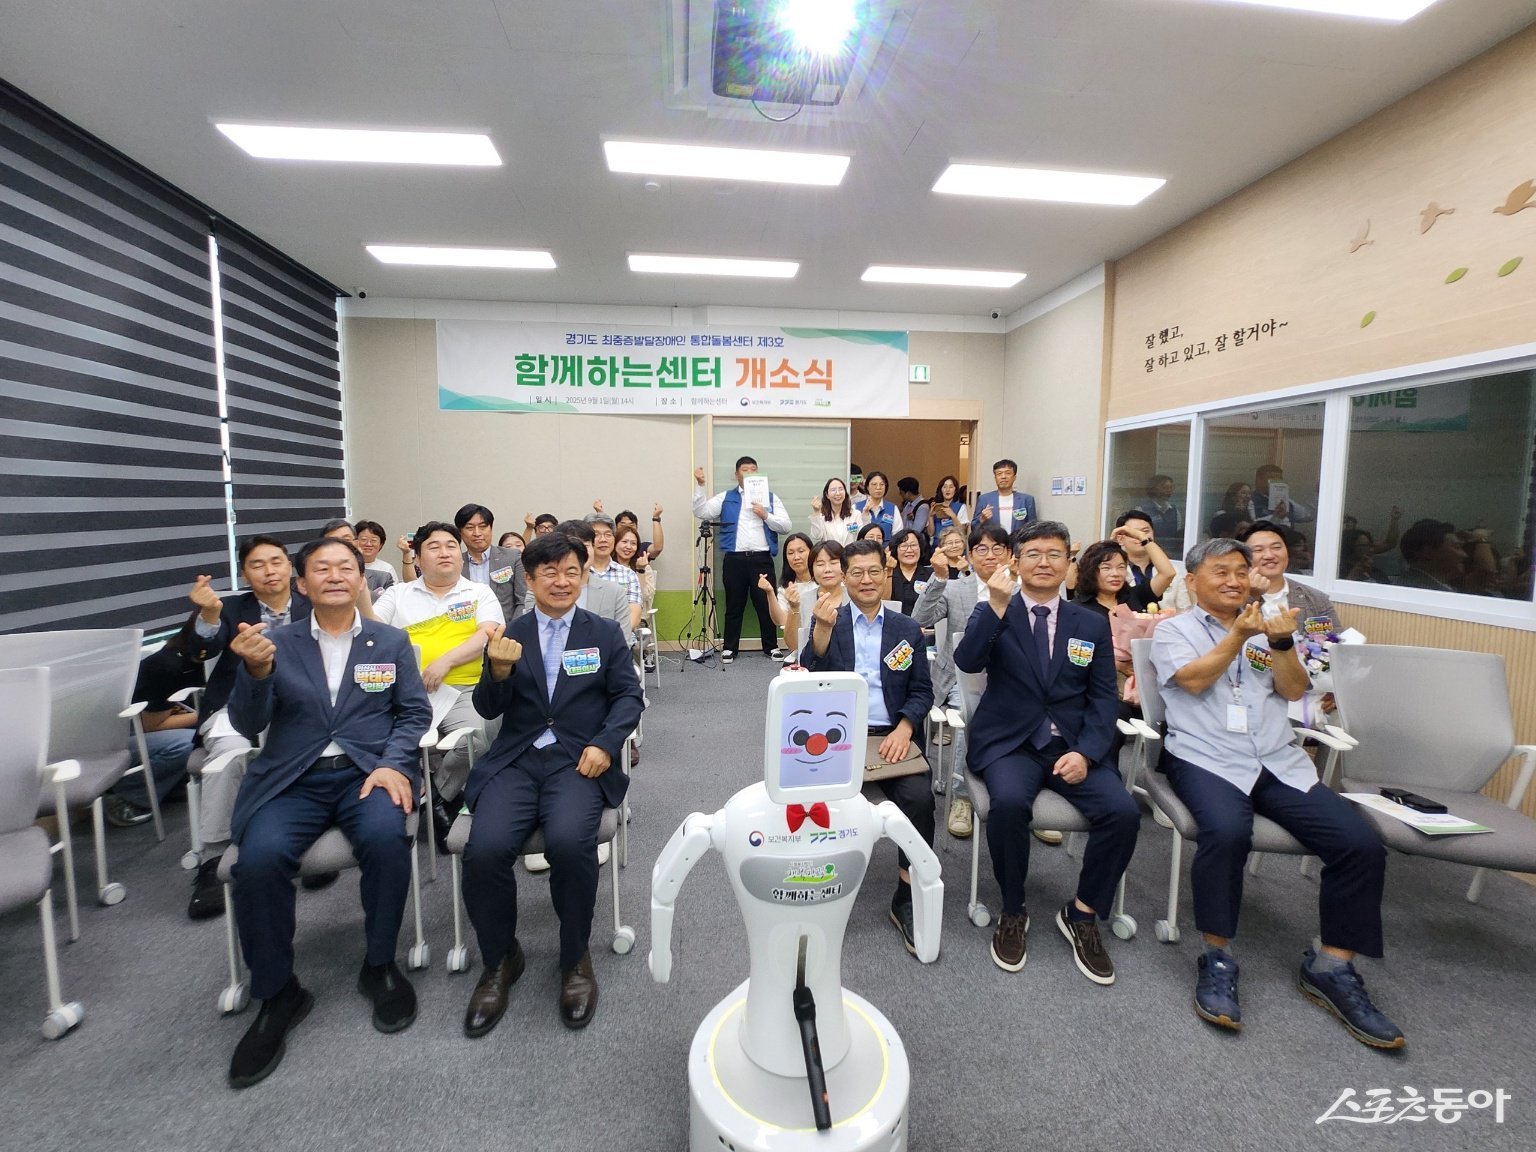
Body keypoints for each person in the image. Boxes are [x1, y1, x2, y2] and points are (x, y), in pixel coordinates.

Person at [1149, 538, 1402, 1048]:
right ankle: (1217, 957)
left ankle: (1332, 966)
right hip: (1205, 756)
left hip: (1277, 760)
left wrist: (1282, 644)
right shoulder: (1173, 630)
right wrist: (1237, 637)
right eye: (1220, 572)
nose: (1234, 580)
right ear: (1192, 581)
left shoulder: (1271, 630)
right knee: (1225, 832)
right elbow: (1194, 682)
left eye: (1241, 571)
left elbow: (1291, 691)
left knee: (1360, 844)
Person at [222, 535, 433, 1088]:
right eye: (322, 568)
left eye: (347, 567)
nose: (336, 575)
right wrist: (255, 674)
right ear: (301, 584)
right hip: (294, 780)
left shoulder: (389, 641)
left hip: (368, 774)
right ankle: (277, 992)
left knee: (389, 841)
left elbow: (412, 714)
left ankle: (379, 965)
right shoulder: (274, 643)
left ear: (362, 580)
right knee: (258, 861)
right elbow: (247, 723)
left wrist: (391, 763)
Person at [459, 533, 644, 1035]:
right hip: (517, 760)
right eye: (549, 573)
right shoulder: (510, 633)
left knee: (568, 843)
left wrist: (606, 743)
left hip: (579, 760)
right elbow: (487, 708)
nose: (561, 582)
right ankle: (500, 960)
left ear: (583, 576)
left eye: (570, 572)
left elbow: (629, 698)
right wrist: (496, 672)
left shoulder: (603, 633)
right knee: (485, 850)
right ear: (530, 578)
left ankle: (574, 957)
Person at [953, 521, 1139, 984]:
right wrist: (995, 604)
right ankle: (1013, 908)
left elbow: (1103, 699)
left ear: (1069, 564)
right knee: (1010, 805)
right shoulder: (996, 608)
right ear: (1015, 562)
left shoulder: (1090, 623)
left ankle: (1082, 913)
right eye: (1031, 553)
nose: (1043, 562)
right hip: (1011, 743)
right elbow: (967, 661)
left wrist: (1089, 753)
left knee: (1123, 812)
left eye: (1054, 554)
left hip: (1072, 745)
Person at [800, 540, 935, 958]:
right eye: (856, 572)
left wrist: (906, 727)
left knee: (919, 799)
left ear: (885, 572)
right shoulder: (831, 620)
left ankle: (905, 895)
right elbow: (809, 676)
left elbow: (922, 690)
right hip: (838, 738)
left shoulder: (906, 629)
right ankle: (821, 890)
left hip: (891, 734)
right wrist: (820, 631)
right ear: (843, 575)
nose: (866, 580)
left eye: (873, 571)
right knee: (820, 806)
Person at [182, 536, 314, 920]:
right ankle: (213, 860)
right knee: (230, 755)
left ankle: (306, 846)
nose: (270, 570)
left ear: (291, 567)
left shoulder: (314, 603)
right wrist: (207, 616)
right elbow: (199, 653)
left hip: (299, 703)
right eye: (258, 564)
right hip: (233, 704)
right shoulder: (228, 608)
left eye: (277, 561)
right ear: (244, 572)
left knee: (316, 746)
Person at [367, 521, 504, 847]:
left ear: (460, 554)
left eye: (450, 546)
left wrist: (445, 661)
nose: (445, 552)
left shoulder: (478, 592)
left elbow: (487, 633)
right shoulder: (398, 594)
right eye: (434, 546)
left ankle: (438, 793)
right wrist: (360, 593)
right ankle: (427, 797)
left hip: (464, 689)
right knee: (377, 741)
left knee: (481, 738)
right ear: (417, 558)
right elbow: (372, 630)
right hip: (405, 693)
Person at [913, 522, 1017, 840]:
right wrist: (939, 578)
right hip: (962, 677)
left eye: (998, 548)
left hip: (1012, 677)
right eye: (981, 549)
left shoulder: (1023, 591)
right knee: (969, 714)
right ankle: (961, 796)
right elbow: (919, 619)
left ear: (1010, 555)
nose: (989, 555)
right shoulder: (957, 589)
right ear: (970, 556)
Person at [692, 458, 792, 664]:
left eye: (753, 470)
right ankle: (729, 648)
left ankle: (772, 646)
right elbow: (701, 512)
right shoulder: (726, 497)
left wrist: (766, 515)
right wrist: (700, 487)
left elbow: (786, 526)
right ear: (737, 474)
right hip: (734, 559)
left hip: (761, 559)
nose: (749, 473)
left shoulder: (771, 498)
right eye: (744, 470)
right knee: (734, 604)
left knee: (765, 604)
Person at [102, 631, 204, 828]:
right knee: (191, 742)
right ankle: (126, 793)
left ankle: (166, 786)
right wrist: (211, 713)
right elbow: (151, 726)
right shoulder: (166, 666)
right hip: (127, 736)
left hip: (152, 733)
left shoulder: (202, 662)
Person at [1238, 520, 1342, 632]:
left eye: (1276, 547)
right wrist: (1252, 596)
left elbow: (1335, 643)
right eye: (1258, 550)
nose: (1269, 555)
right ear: (1244, 558)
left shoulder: (1317, 600)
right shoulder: (1231, 596)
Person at [455, 503, 528, 625]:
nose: (477, 533)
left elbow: (522, 600)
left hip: (506, 632)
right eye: (470, 528)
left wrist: (512, 630)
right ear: (460, 533)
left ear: (491, 528)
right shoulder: (456, 564)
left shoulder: (513, 557)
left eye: (483, 527)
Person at [584, 513, 643, 636]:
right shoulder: (576, 573)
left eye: (608, 534)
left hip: (619, 640)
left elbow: (634, 615)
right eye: (596, 535)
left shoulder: (628, 575)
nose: (603, 539)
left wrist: (611, 640)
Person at [757, 532, 814, 659]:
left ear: (812, 552)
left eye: (801, 551)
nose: (796, 557)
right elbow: (781, 621)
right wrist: (770, 592)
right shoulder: (787, 587)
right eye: (790, 553)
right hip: (797, 645)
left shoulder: (823, 581)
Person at [1073, 539, 1159, 616]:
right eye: (1106, 568)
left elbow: (1168, 574)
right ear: (1090, 571)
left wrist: (1143, 538)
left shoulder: (1133, 595)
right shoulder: (1077, 609)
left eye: (1121, 567)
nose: (1115, 573)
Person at [1110, 512, 1176, 602]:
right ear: (1120, 539)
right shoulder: (1114, 571)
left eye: (1145, 531)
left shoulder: (1171, 568)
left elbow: (1184, 609)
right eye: (1133, 533)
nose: (1140, 537)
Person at [973, 458, 1037, 533]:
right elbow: (973, 527)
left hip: (1018, 542)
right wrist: (982, 520)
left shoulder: (1026, 500)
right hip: (994, 542)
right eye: (999, 474)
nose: (1003, 477)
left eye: (1008, 473)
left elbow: (1033, 528)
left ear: (1014, 477)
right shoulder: (984, 499)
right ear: (995, 478)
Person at [886, 528, 931, 615]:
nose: (909, 550)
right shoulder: (888, 573)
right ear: (895, 550)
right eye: (904, 546)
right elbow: (884, 602)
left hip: (926, 627)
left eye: (913, 545)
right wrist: (889, 572)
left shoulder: (931, 574)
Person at [1135, 475, 1182, 555]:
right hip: (1149, 554)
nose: (1168, 490)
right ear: (1153, 489)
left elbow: (1178, 532)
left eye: (1170, 487)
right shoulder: (1141, 510)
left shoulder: (1174, 510)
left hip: (1171, 555)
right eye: (1164, 487)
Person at [807, 476, 862, 544]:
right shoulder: (821, 517)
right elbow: (816, 538)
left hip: (851, 554)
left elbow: (862, 537)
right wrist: (816, 512)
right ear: (827, 495)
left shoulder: (856, 514)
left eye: (841, 489)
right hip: (830, 554)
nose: (838, 493)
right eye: (833, 490)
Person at [353, 520, 397, 600]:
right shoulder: (348, 566)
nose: (368, 544)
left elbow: (394, 598)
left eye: (373, 540)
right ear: (355, 542)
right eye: (363, 539)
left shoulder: (387, 569)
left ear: (381, 544)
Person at [854, 470, 903, 537]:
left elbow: (898, 534)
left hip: (887, 547)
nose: (878, 488)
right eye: (874, 484)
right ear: (867, 487)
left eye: (882, 484)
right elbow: (853, 534)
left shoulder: (892, 508)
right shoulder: (856, 507)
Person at [927, 475, 970, 542]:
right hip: (937, 545)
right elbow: (930, 533)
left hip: (953, 545)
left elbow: (963, 532)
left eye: (951, 487)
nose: (948, 490)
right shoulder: (936, 507)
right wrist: (930, 516)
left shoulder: (961, 507)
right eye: (945, 487)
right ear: (941, 490)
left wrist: (953, 516)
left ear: (955, 490)